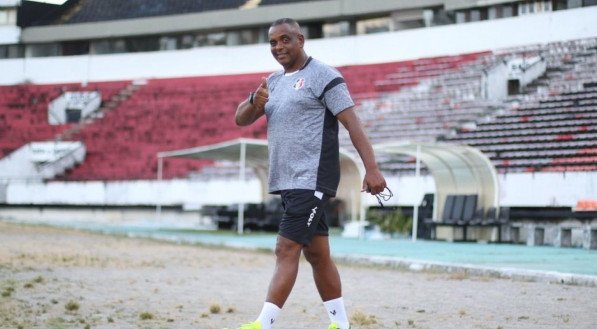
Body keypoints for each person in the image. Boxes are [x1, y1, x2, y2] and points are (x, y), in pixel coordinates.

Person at [232, 18, 387, 329]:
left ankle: (264, 323)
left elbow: (352, 124)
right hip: (287, 182)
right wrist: (254, 100)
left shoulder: (325, 76)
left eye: (285, 40)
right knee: (317, 255)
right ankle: (341, 324)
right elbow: (240, 119)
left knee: (285, 248)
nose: (278, 47)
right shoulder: (272, 83)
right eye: (273, 42)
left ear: (300, 40)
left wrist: (372, 169)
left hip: (312, 179)